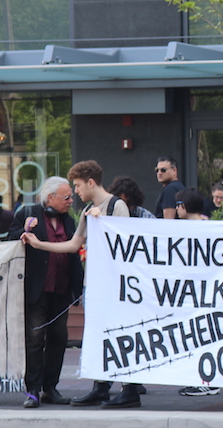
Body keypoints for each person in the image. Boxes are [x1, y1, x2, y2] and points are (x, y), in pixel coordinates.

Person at [21, 160, 140, 408]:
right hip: (96, 283)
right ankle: (101, 387)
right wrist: (39, 244)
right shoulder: (88, 211)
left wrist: (104, 224)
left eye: (77, 186)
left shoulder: (116, 207)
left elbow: (126, 245)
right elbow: (74, 245)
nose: (75, 192)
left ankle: (129, 389)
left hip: (115, 284)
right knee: (98, 334)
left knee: (120, 331)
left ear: (90, 182)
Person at [7, 177, 83, 408]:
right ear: (50, 197)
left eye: (71, 196)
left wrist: (77, 287)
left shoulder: (69, 221)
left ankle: (50, 387)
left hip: (61, 289)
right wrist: (24, 231)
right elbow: (9, 240)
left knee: (59, 338)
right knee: (35, 339)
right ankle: (33, 390)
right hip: (36, 290)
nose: (71, 201)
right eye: (66, 197)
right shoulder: (28, 213)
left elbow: (74, 251)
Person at [173, 187, 219, 397]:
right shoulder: (202, 226)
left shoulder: (203, 228)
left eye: (178, 204)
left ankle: (208, 380)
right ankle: (202, 378)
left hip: (204, 292)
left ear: (185, 206)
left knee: (204, 335)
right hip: (196, 291)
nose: (175, 209)